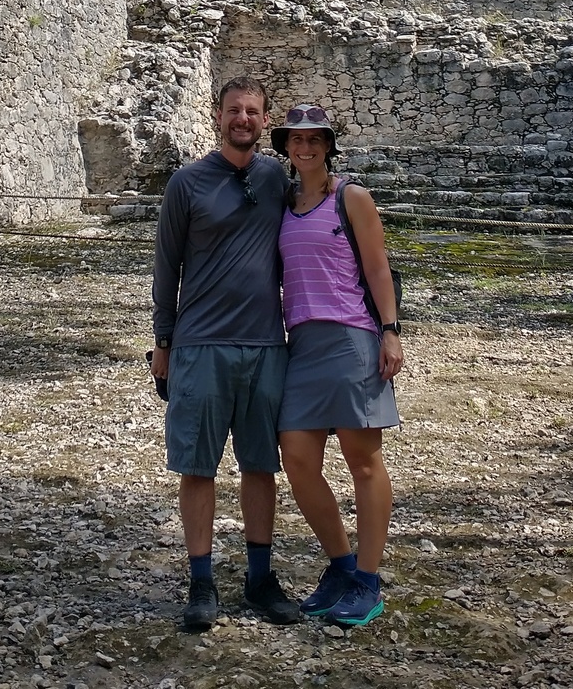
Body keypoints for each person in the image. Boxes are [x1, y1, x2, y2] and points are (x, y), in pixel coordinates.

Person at [151, 77, 305, 632]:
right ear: (217, 116)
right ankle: (201, 581)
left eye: (253, 111)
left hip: (266, 345)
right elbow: (167, 268)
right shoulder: (187, 183)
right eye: (234, 110)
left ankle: (260, 577)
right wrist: (163, 342)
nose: (244, 119)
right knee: (197, 467)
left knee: (262, 465)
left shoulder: (275, 180)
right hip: (201, 345)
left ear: (266, 122)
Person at [271, 102, 403, 629]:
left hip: (351, 338)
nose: (305, 148)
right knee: (298, 458)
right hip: (300, 342)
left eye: (314, 140)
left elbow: (377, 267)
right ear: (285, 147)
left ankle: (367, 582)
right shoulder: (281, 203)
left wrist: (389, 332)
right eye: (295, 140)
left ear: (328, 145)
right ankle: (340, 565)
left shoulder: (352, 197)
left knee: (362, 458)